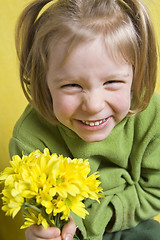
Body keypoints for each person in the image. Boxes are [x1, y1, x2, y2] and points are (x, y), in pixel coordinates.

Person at [9, 0, 160, 239]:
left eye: (112, 82)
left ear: (137, 74)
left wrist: (96, 220)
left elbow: (155, 189)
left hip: (132, 221)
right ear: (43, 83)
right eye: (71, 85)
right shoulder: (29, 137)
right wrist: (40, 232)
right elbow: (40, 209)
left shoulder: (152, 117)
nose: (93, 105)